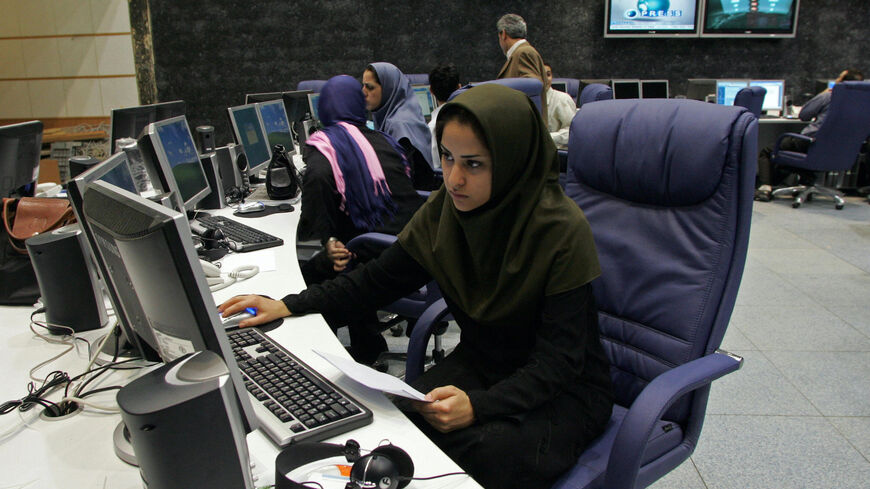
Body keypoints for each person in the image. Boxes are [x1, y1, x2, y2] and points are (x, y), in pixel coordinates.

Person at [219, 84, 614, 488]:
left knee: (478, 454)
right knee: (395, 429)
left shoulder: (560, 230)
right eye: (447, 157)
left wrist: (479, 406)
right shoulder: (447, 209)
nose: (454, 178)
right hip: (484, 363)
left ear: (512, 161)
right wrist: (288, 304)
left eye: (474, 164)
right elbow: (375, 282)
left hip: (564, 391)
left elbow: (560, 362)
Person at [297, 74, 426, 365]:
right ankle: (368, 342)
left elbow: (316, 189)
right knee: (350, 243)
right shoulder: (385, 139)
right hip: (416, 244)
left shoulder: (325, 148)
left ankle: (320, 362)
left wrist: (327, 241)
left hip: (384, 258)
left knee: (311, 270)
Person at [755, 68, 864, 201]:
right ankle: (806, 178)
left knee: (768, 152)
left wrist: (824, 93)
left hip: (811, 143)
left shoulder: (829, 96)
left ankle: (765, 189)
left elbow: (804, 115)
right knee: (790, 157)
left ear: (841, 83)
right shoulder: (863, 103)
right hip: (841, 150)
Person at [362, 62, 437, 190]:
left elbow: (400, 182)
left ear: (388, 88)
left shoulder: (398, 127)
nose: (363, 92)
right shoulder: (400, 115)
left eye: (370, 87)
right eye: (363, 86)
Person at [496, 13, 549, 119]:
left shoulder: (524, 53)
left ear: (503, 34)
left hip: (525, 129)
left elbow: (532, 88)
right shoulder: (521, 52)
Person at [427, 62, 462, 167]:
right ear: (459, 87)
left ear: (431, 91)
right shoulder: (469, 119)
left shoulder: (432, 128)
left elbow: (434, 165)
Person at [544, 62, 577, 149]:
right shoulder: (528, 99)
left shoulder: (562, 99)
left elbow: (572, 131)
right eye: (541, 75)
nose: (546, 79)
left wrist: (546, 138)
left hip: (557, 153)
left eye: (548, 75)